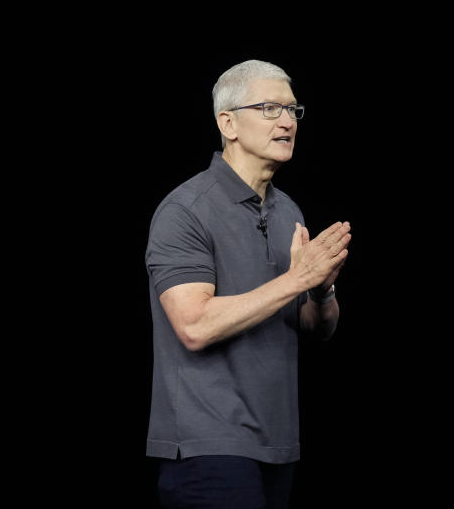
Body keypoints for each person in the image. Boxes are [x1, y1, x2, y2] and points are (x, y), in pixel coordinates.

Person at [145, 59, 350, 508]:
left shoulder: (289, 212)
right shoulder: (185, 211)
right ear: (228, 122)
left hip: (278, 446)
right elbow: (195, 325)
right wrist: (298, 277)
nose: (286, 122)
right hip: (207, 447)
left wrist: (321, 289)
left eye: (293, 111)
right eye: (269, 108)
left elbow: (317, 328)